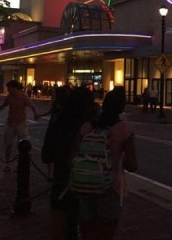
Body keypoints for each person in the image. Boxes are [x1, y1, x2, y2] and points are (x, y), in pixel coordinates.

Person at [75, 85, 137, 240]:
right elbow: (133, 165)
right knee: (105, 232)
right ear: (121, 107)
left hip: (83, 183)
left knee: (87, 231)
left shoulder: (88, 126)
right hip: (109, 186)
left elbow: (74, 155)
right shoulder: (124, 129)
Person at [47, 86, 96, 240]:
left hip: (62, 180)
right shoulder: (94, 126)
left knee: (60, 227)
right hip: (89, 182)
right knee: (88, 227)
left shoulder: (58, 121)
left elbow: (46, 155)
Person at [0, 79, 39, 172]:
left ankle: (21, 164)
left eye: (9, 88)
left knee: (23, 145)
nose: (8, 90)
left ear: (15, 88)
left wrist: (35, 113)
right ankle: (7, 164)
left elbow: (32, 105)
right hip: (10, 123)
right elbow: (3, 105)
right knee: (8, 144)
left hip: (21, 123)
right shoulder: (9, 96)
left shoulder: (23, 96)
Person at [41, 84, 72, 180]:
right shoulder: (66, 105)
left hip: (54, 128)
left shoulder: (61, 104)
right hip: (58, 129)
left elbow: (51, 112)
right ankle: (53, 174)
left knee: (52, 151)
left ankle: (52, 175)